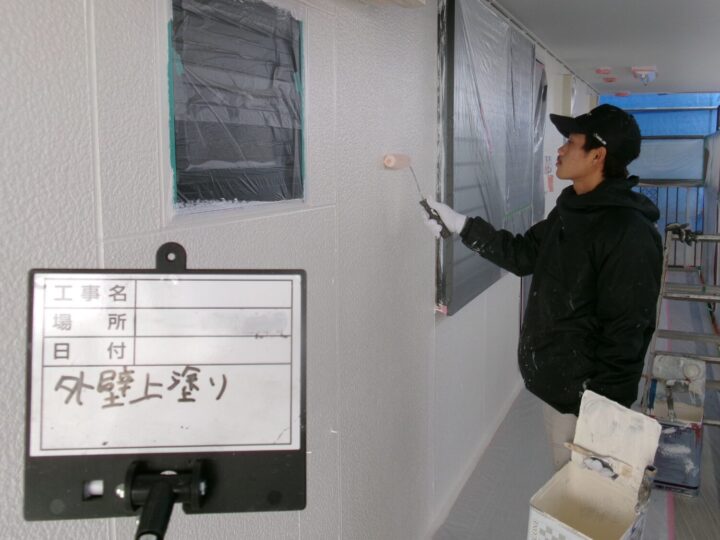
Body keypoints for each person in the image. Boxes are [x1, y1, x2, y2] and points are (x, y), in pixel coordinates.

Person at [427, 104, 663, 468]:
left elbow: (627, 330)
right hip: (562, 392)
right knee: (566, 487)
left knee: (583, 497)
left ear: (597, 155)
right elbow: (523, 254)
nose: (560, 149)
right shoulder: (571, 211)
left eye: (571, 142)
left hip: (588, 405)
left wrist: (604, 421)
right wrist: (462, 226)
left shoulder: (627, 231)